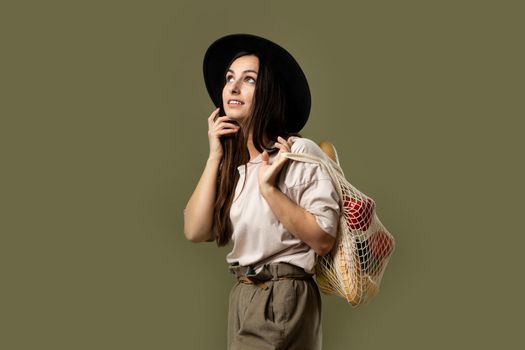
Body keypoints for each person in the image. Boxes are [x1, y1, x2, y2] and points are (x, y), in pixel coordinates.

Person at [183, 33, 340, 350]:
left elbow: (323, 238)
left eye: (249, 79)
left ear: (268, 92)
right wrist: (215, 154)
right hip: (245, 293)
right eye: (230, 79)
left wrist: (270, 190)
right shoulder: (237, 166)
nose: (233, 87)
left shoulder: (296, 152)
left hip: (280, 294)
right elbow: (194, 230)